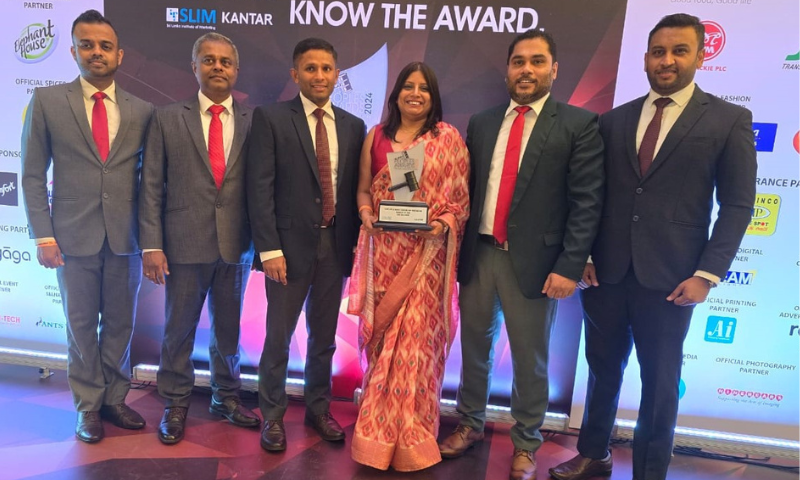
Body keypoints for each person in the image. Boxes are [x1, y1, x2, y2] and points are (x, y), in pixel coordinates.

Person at [549, 14, 757, 480]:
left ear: (700, 57)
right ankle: (594, 454)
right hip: (605, 274)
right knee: (601, 369)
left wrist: (707, 274)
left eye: (680, 51)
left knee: (661, 383)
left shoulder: (728, 120)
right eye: (659, 52)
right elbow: (591, 195)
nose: (667, 61)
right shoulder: (613, 120)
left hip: (672, 280)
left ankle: (649, 471)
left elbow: (739, 205)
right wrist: (583, 255)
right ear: (645, 58)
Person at [438, 30, 604, 480]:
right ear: (508, 69)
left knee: (530, 359)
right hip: (480, 255)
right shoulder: (483, 122)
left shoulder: (578, 124)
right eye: (518, 61)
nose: (526, 69)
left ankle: (526, 442)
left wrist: (570, 265)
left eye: (537, 61)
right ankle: (469, 424)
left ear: (554, 69)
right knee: (474, 348)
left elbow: (587, 203)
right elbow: (467, 189)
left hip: (535, 264)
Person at [20, 10, 153, 443]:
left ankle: (115, 398)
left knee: (120, 324)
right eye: (87, 45)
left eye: (105, 46)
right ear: (74, 50)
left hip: (126, 238)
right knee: (79, 326)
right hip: (70, 237)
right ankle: (88, 406)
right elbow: (32, 174)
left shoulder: (143, 110)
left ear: (120, 55)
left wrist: (150, 239)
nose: (97, 52)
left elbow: (151, 181)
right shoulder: (47, 101)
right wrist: (43, 235)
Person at [347, 62, 470, 471]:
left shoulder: (446, 139)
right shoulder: (376, 136)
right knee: (384, 346)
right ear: (396, 93)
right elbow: (364, 191)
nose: (415, 94)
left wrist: (442, 224)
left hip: (427, 259)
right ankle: (375, 437)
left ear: (433, 98)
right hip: (384, 255)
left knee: (417, 350)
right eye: (408, 86)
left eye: (424, 88)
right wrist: (366, 213)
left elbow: (459, 202)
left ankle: (413, 440)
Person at [246, 38, 366, 452]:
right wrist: (269, 250)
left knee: (324, 338)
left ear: (337, 75)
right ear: (295, 75)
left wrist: (355, 247)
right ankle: (272, 416)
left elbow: (353, 190)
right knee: (278, 339)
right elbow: (259, 188)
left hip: (335, 247)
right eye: (310, 68)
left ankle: (318, 409)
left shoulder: (353, 126)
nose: (319, 75)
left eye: (326, 68)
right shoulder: (271, 118)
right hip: (285, 250)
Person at [138, 32, 259, 445]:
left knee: (229, 331)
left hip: (236, 245)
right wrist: (152, 244)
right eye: (209, 60)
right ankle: (175, 402)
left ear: (236, 70)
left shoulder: (254, 121)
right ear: (194, 67)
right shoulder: (167, 118)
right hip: (183, 242)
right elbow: (150, 185)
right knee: (178, 330)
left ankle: (226, 396)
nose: (218, 67)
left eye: (225, 61)